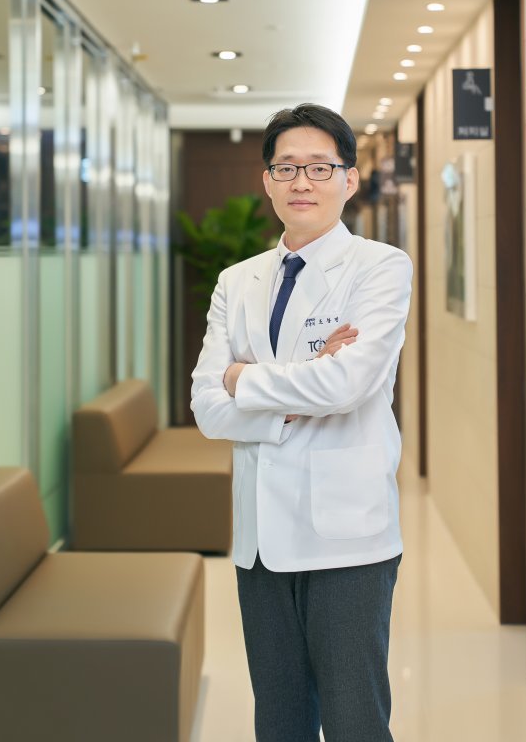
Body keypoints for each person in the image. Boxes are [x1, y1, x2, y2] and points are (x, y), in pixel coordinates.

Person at [191, 103, 412, 742]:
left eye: (320, 167)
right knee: (280, 719)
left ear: (349, 179)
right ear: (267, 181)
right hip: (260, 536)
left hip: (347, 537)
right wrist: (298, 386)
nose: (302, 182)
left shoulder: (380, 267)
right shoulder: (237, 282)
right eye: (286, 168)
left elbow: (347, 385)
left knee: (354, 719)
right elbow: (207, 407)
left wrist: (245, 379)